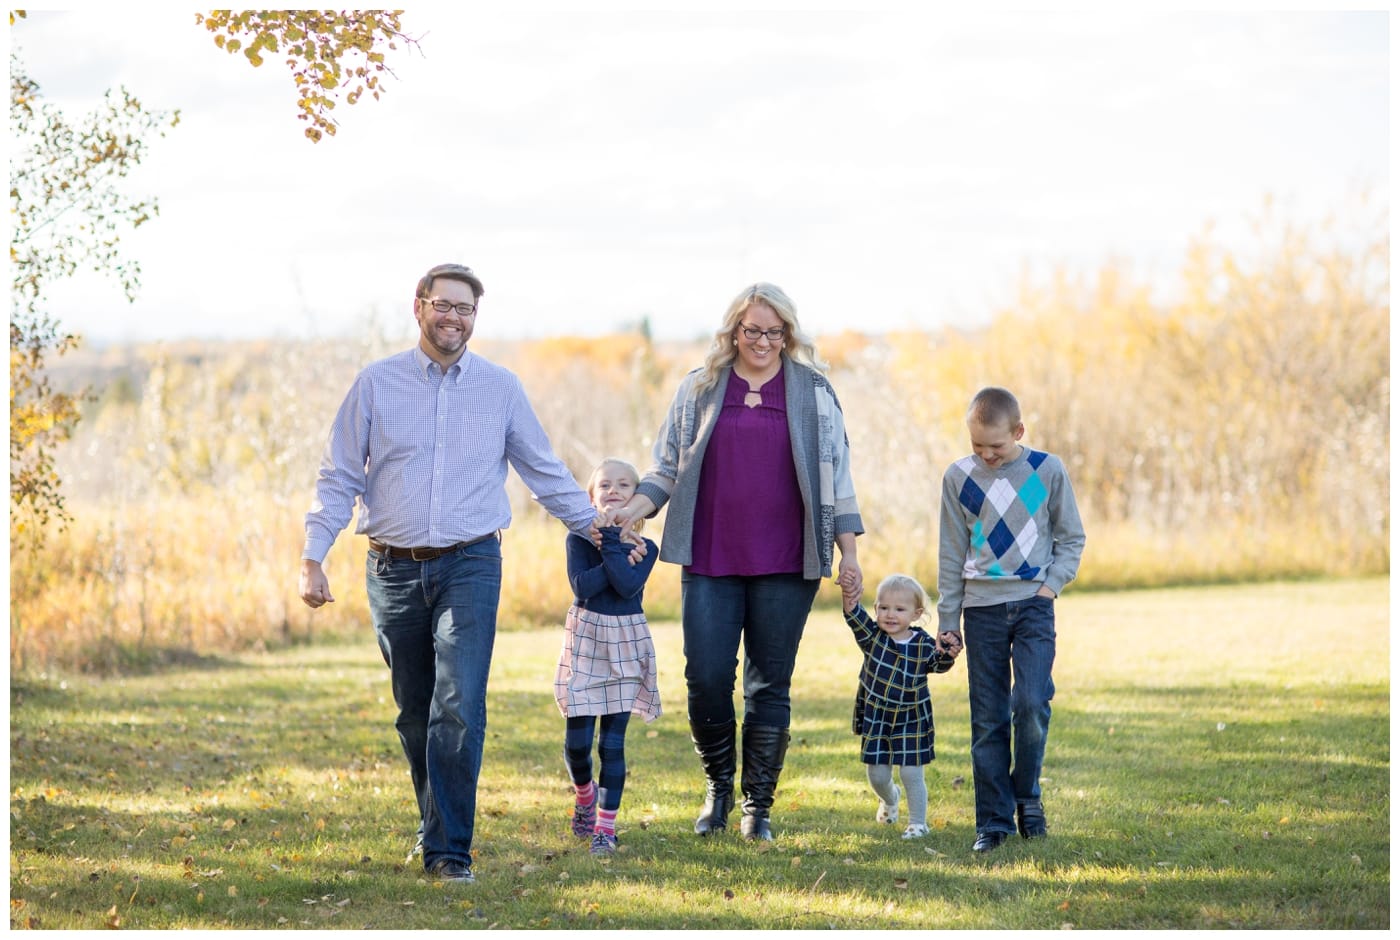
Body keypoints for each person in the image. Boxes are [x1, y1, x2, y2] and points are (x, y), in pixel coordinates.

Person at [298, 262, 605, 885]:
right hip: (392, 568)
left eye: (465, 310)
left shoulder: (500, 389)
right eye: (444, 305)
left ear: (474, 318)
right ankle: (433, 821)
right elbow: (339, 477)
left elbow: (542, 470)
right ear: (419, 307)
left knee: (459, 705)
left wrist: (596, 527)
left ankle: (449, 853)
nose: (454, 318)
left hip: (471, 562)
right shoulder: (376, 385)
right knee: (416, 713)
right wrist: (313, 554)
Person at [609, 282, 864, 842]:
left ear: (788, 335)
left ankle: (757, 806)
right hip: (710, 556)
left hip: (785, 560)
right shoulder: (699, 389)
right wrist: (636, 509)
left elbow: (838, 479)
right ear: (732, 331)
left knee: (769, 685)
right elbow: (666, 468)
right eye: (753, 331)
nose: (764, 342)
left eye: (775, 332)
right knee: (704, 678)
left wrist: (849, 554)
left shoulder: (815, 392)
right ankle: (718, 785)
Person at [936, 386, 1086, 853]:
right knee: (988, 718)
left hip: (1034, 606)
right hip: (981, 610)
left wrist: (1049, 587)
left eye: (996, 446)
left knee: (1032, 704)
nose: (986, 455)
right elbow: (951, 552)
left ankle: (1029, 797)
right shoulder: (959, 478)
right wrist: (948, 619)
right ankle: (994, 822)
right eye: (977, 446)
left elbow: (1071, 537)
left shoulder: (1045, 471)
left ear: (1018, 432)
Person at [554, 457, 662, 858]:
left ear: (640, 501)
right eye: (605, 485)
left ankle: (605, 827)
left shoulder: (647, 549)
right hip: (587, 643)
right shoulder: (578, 541)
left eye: (625, 485)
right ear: (591, 497)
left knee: (611, 744)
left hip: (625, 647)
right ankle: (585, 795)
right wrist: (614, 549)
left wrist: (616, 548)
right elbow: (583, 586)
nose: (614, 490)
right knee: (577, 744)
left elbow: (627, 586)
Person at [840, 573, 962, 841]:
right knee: (878, 774)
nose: (890, 615)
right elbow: (853, 615)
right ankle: (890, 799)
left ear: (916, 614)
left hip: (912, 717)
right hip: (878, 717)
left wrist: (948, 654)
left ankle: (918, 823)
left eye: (899, 609)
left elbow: (938, 664)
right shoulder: (872, 638)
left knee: (911, 772)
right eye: (883, 608)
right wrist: (849, 592)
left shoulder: (923, 643)